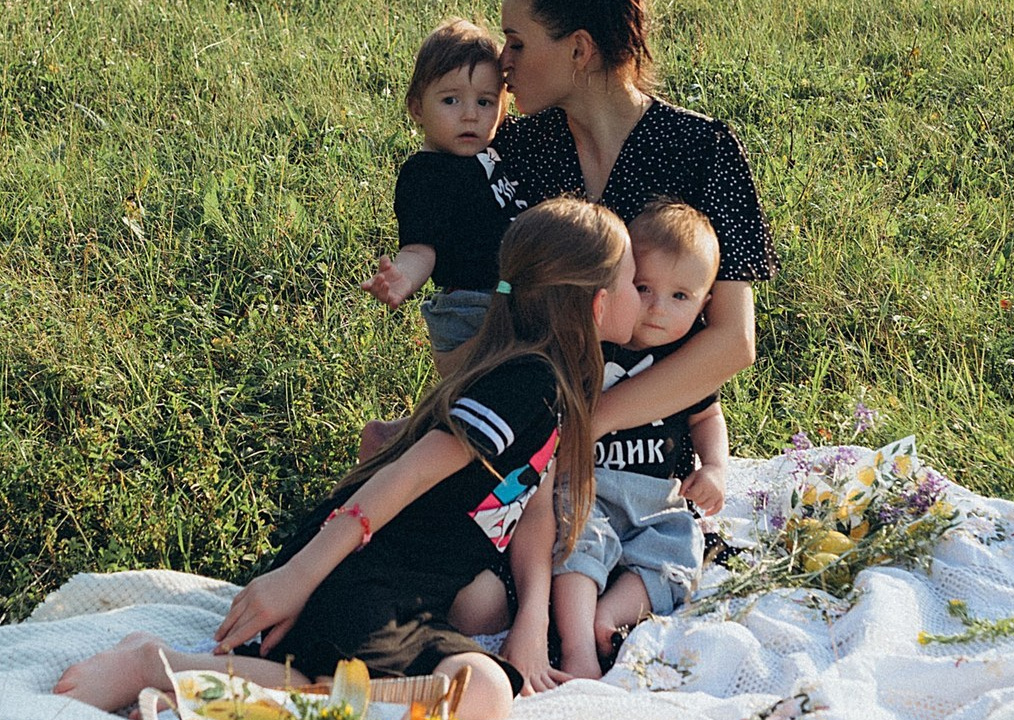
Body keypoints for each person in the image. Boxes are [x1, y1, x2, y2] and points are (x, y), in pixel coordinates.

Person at [52, 199, 642, 720]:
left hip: (394, 590)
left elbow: (532, 507)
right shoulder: (525, 384)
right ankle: (164, 674)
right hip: (355, 575)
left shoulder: (551, 388)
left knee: (344, 681)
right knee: (482, 691)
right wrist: (297, 578)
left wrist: (531, 629)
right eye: (636, 284)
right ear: (597, 305)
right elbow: (408, 471)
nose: (644, 301)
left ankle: (160, 670)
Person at [494, 0, 777, 443]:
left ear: (579, 50)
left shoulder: (704, 151)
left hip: (650, 440)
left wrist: (591, 423)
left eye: (516, 43)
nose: (501, 61)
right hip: (526, 420)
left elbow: (733, 341)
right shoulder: (514, 150)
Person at [553, 200, 728, 678]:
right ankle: (577, 650)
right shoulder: (594, 339)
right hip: (591, 486)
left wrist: (714, 468)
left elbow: (707, 418)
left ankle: (609, 616)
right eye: (644, 287)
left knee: (677, 550)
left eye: (680, 297)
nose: (656, 309)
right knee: (575, 540)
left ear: (706, 303)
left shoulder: (687, 355)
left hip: (659, 499)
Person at [361, 19, 527, 369]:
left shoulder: (502, 144)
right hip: (471, 306)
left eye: (485, 102)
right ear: (418, 108)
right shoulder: (426, 174)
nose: (470, 115)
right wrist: (404, 276)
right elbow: (421, 248)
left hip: (515, 294)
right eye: (451, 100)